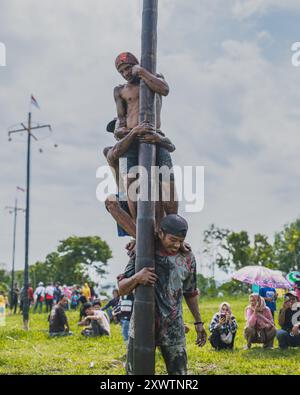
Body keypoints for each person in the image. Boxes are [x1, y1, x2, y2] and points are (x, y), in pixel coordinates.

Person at [118, 214, 207, 375]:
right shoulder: (144, 251)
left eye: (180, 240)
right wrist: (138, 277)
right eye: (172, 239)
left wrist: (198, 322)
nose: (176, 244)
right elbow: (122, 288)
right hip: (141, 326)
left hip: (173, 328)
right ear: (160, 233)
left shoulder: (187, 257)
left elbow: (190, 292)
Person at [113, 52, 178, 223]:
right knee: (132, 186)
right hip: (131, 141)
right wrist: (129, 132)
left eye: (128, 68)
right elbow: (120, 123)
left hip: (154, 136)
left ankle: (172, 225)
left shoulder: (153, 78)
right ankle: (138, 232)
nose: (126, 73)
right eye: (122, 71)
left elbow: (165, 89)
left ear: (136, 65)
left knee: (167, 182)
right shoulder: (120, 90)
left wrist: (141, 72)